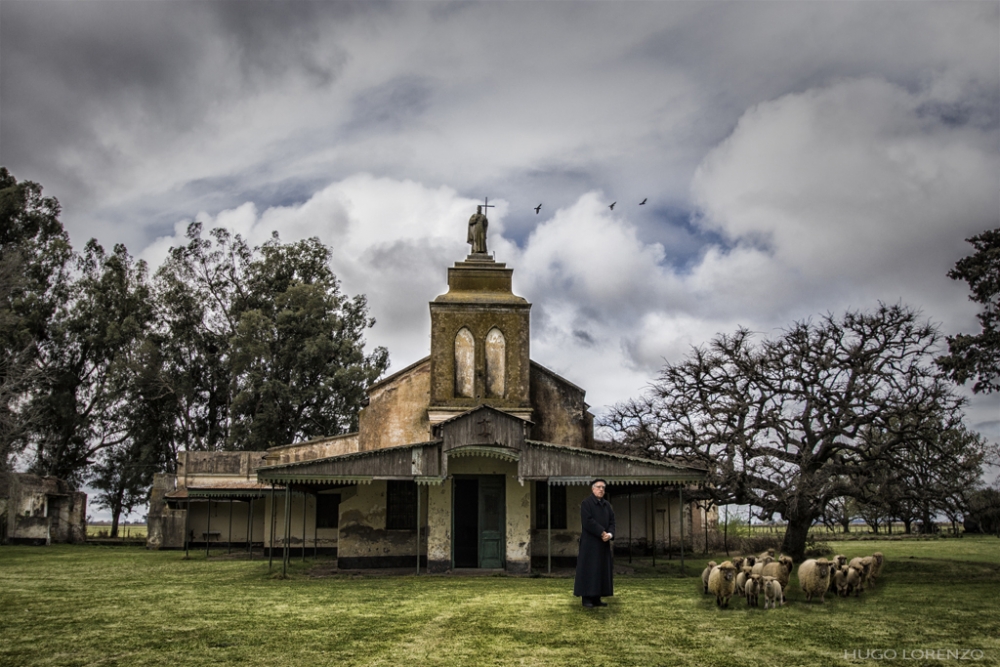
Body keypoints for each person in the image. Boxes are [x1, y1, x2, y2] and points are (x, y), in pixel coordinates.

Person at [573, 478, 615, 607]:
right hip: (589, 544)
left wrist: (609, 534)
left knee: (601, 570)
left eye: (603, 487)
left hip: (603, 544)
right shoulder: (586, 503)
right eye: (598, 487)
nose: (601, 489)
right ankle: (586, 598)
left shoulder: (607, 505)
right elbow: (588, 521)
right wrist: (602, 532)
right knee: (589, 569)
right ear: (593, 489)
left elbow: (612, 522)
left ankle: (597, 598)